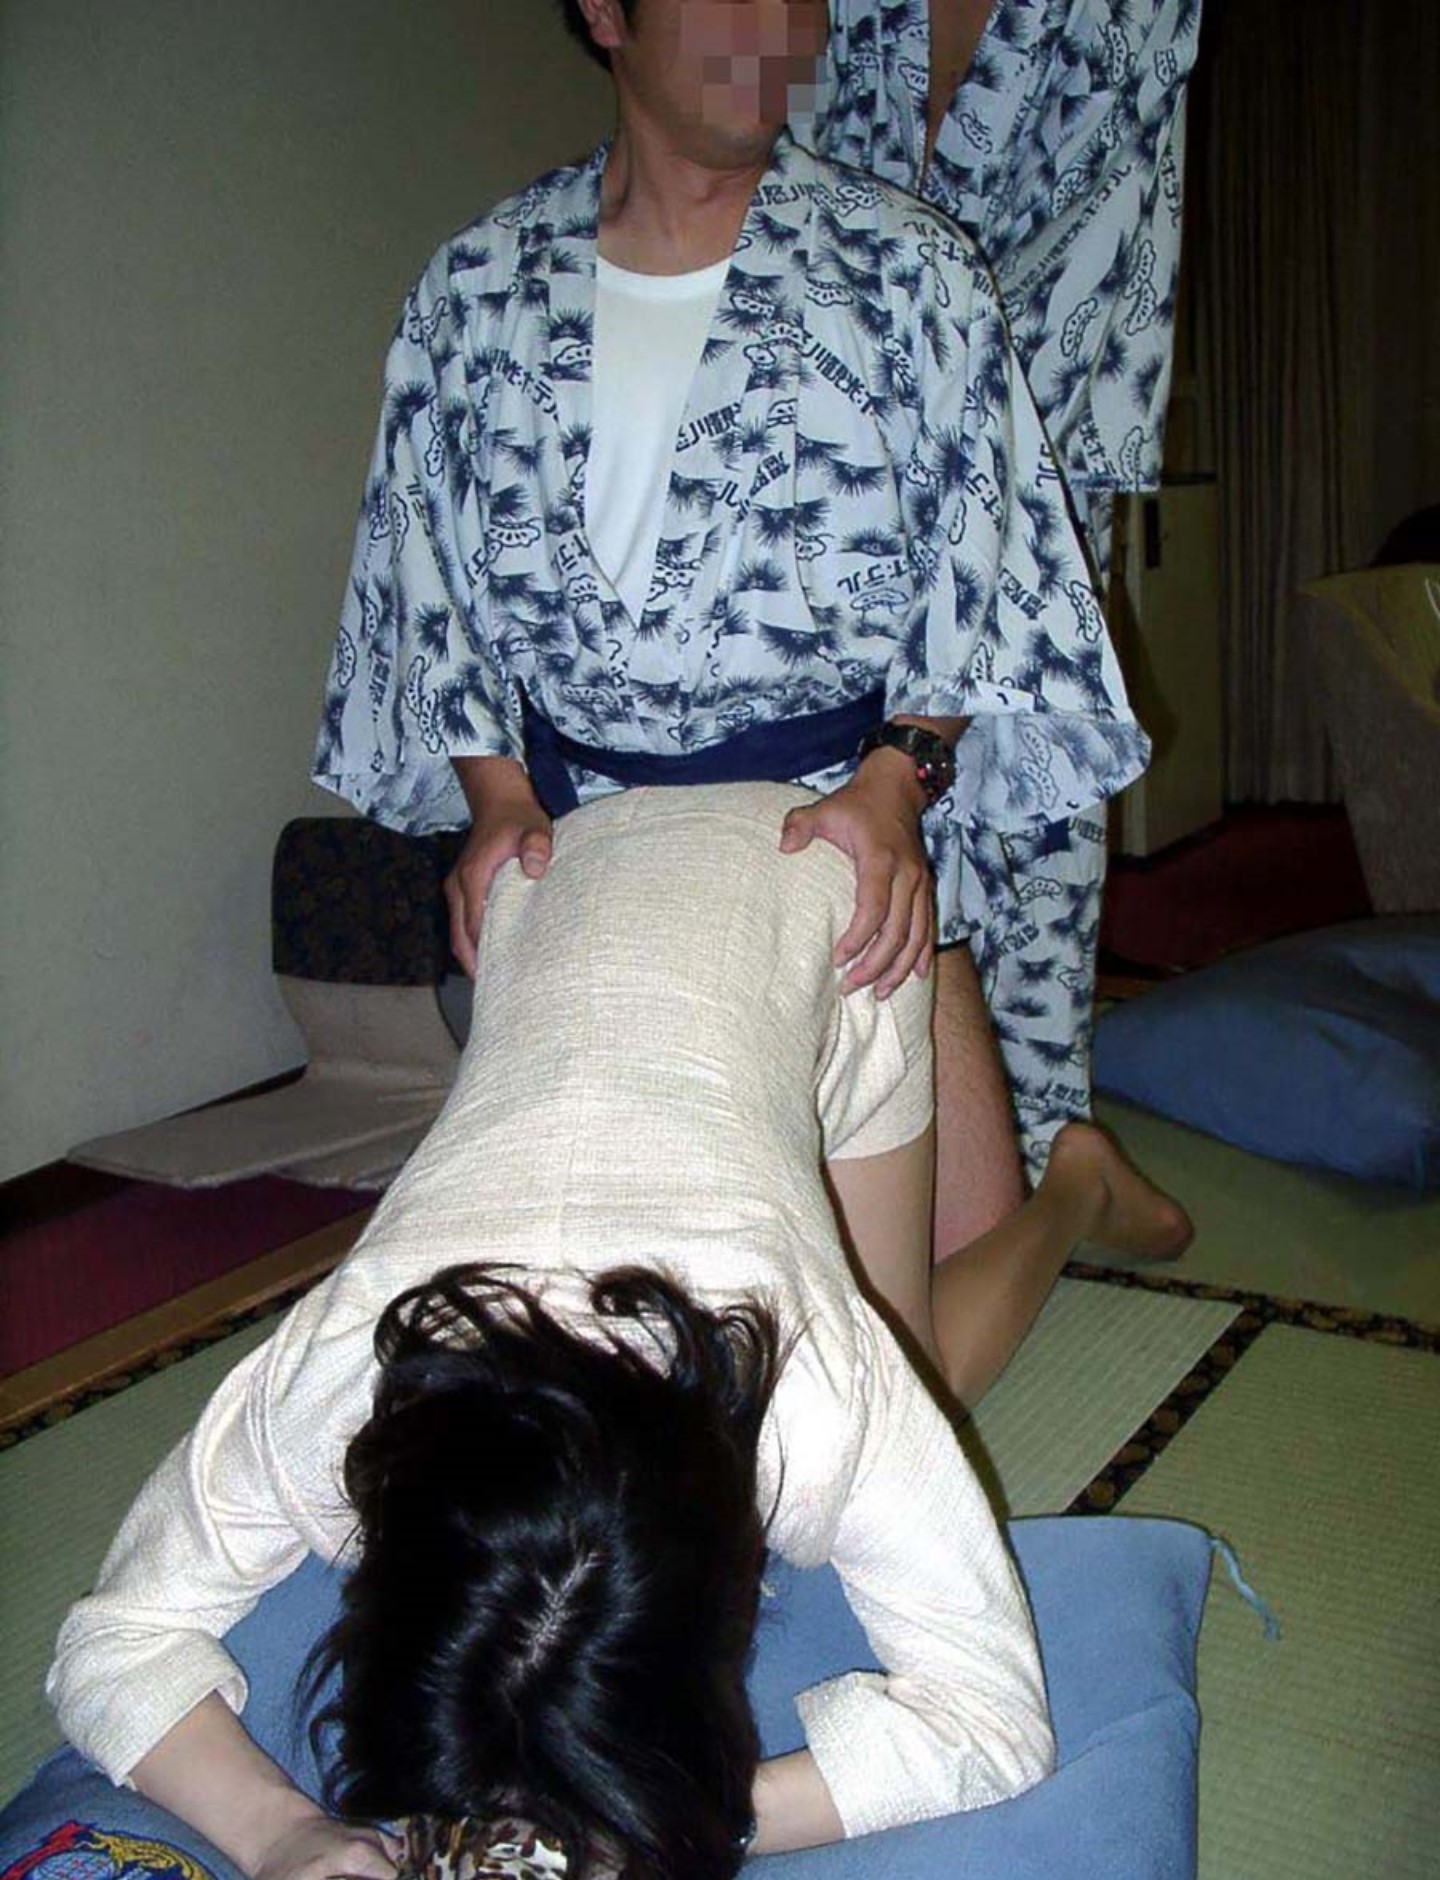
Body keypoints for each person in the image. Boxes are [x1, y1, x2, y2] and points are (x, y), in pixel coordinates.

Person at [43, 784, 1190, 1880]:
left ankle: (1076, 1187)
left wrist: (674, 1816)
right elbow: (107, 1645)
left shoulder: (822, 1398)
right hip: (559, 880)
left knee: (929, 1376)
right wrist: (278, 1831)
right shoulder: (328, 1395)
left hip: (824, 909)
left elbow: (994, 1726)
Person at [311, 0, 1158, 1260]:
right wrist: (494, 800)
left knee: (930, 1315)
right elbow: (425, 581)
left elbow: (986, 565)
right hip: (591, 850)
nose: (777, 26)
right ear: (607, 12)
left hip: (849, 833)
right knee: (621, 1280)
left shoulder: (909, 267)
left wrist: (898, 782)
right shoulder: (476, 290)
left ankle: (1076, 1180)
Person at [800, 0, 1204, 1194]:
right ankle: (994, 1156)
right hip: (850, 440)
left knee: (1021, 805)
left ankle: (1048, 1148)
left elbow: (1103, 244)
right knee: (868, 809)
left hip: (1041, 430)